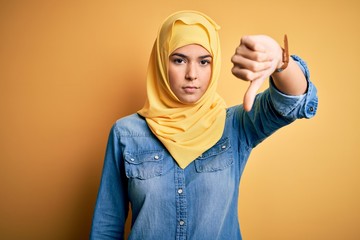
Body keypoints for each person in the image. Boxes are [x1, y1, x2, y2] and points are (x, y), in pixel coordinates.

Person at [90, 10, 318, 240]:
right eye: (179, 60)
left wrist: (280, 60)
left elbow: (293, 102)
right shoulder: (126, 133)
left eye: (203, 61)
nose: (192, 74)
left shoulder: (236, 125)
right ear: (160, 62)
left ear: (214, 64)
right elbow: (107, 225)